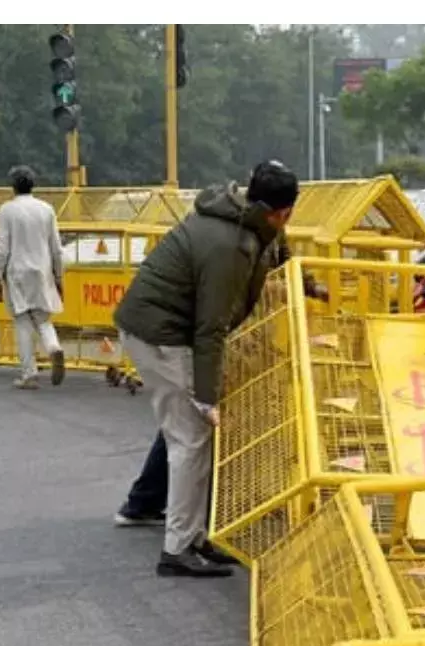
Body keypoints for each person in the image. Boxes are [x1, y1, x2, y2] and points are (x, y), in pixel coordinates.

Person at [114, 160, 300, 577]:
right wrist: (206, 396)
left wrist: (306, 283)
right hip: (159, 334)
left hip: (161, 326)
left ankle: (195, 537)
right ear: (283, 210)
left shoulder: (250, 220)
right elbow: (210, 326)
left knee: (190, 438)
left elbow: (279, 255)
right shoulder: (229, 246)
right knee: (191, 440)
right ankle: (178, 549)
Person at [113, 217, 330, 529]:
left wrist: (307, 285)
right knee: (194, 428)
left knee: (187, 424)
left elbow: (284, 261)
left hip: (199, 334)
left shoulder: (262, 228)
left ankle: (153, 504)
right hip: (189, 338)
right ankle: (193, 526)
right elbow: (214, 317)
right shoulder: (228, 242)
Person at [0, 165, 66, 390]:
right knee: (43, 319)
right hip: (42, 270)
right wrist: (59, 275)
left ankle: (29, 374)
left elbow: (2, 247)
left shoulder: (7, 211)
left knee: (23, 322)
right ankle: (54, 347)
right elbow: (56, 247)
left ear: (12, 186)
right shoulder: (47, 209)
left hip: (17, 273)